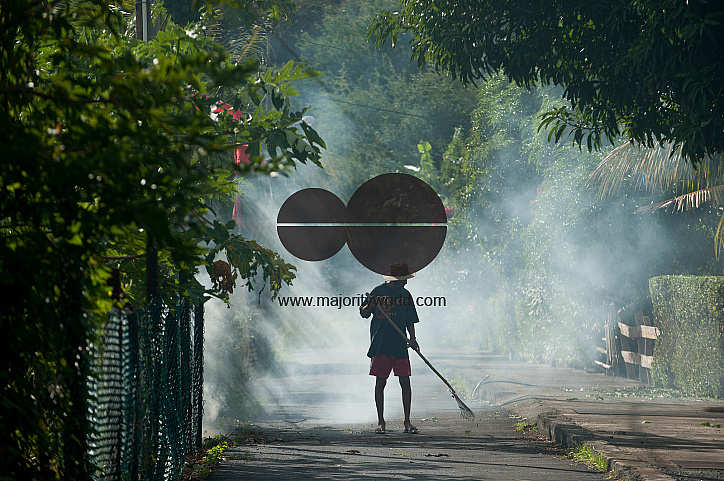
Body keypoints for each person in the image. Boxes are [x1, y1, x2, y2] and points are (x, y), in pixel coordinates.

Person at [360, 261, 420, 434]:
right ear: (395, 279)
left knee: (405, 381)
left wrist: (413, 339)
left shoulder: (405, 295)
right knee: (380, 382)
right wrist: (369, 306)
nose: (406, 282)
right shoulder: (377, 292)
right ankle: (381, 422)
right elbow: (364, 313)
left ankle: (407, 422)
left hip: (400, 344)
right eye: (404, 279)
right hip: (381, 344)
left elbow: (410, 320)